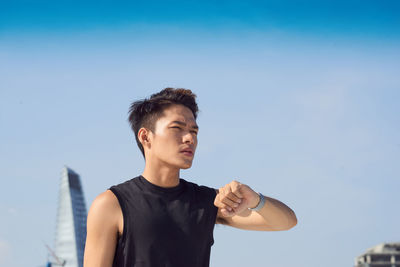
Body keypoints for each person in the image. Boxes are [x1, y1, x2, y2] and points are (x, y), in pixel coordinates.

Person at [83, 88, 297, 267]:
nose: (189, 138)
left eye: (194, 131)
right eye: (177, 128)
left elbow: (286, 221)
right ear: (145, 136)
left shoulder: (207, 201)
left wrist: (255, 200)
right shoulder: (111, 204)